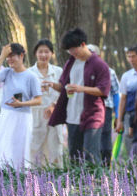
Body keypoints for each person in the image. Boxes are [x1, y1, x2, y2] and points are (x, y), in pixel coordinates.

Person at [47, 28, 111, 164]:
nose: (72, 53)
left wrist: (81, 89)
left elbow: (103, 90)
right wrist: (52, 85)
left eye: (74, 49)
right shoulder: (71, 63)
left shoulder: (99, 65)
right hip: (72, 116)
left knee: (91, 155)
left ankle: (96, 183)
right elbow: (63, 86)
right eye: (69, 51)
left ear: (83, 45)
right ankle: (77, 184)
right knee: (74, 156)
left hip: (93, 115)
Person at [0, 44, 42, 170]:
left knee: (20, 147)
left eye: (12, 56)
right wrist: (2, 57)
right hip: (6, 115)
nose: (10, 59)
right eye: (8, 57)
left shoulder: (31, 77)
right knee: (0, 144)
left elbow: (38, 100)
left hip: (23, 117)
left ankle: (20, 175)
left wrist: (21, 104)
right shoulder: (7, 72)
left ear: (21, 56)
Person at [28, 39, 64, 166]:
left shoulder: (59, 71)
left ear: (52, 54)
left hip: (54, 115)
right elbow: (25, 96)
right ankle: (33, 181)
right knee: (34, 150)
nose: (43, 55)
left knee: (55, 150)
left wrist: (54, 105)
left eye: (47, 52)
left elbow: (64, 93)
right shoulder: (29, 73)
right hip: (36, 115)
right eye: (40, 52)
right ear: (35, 54)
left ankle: (57, 180)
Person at [87, 44, 120, 165]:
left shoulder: (109, 71)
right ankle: (91, 164)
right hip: (88, 108)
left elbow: (116, 93)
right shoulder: (82, 70)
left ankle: (106, 165)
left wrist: (117, 115)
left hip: (106, 107)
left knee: (105, 135)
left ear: (99, 56)